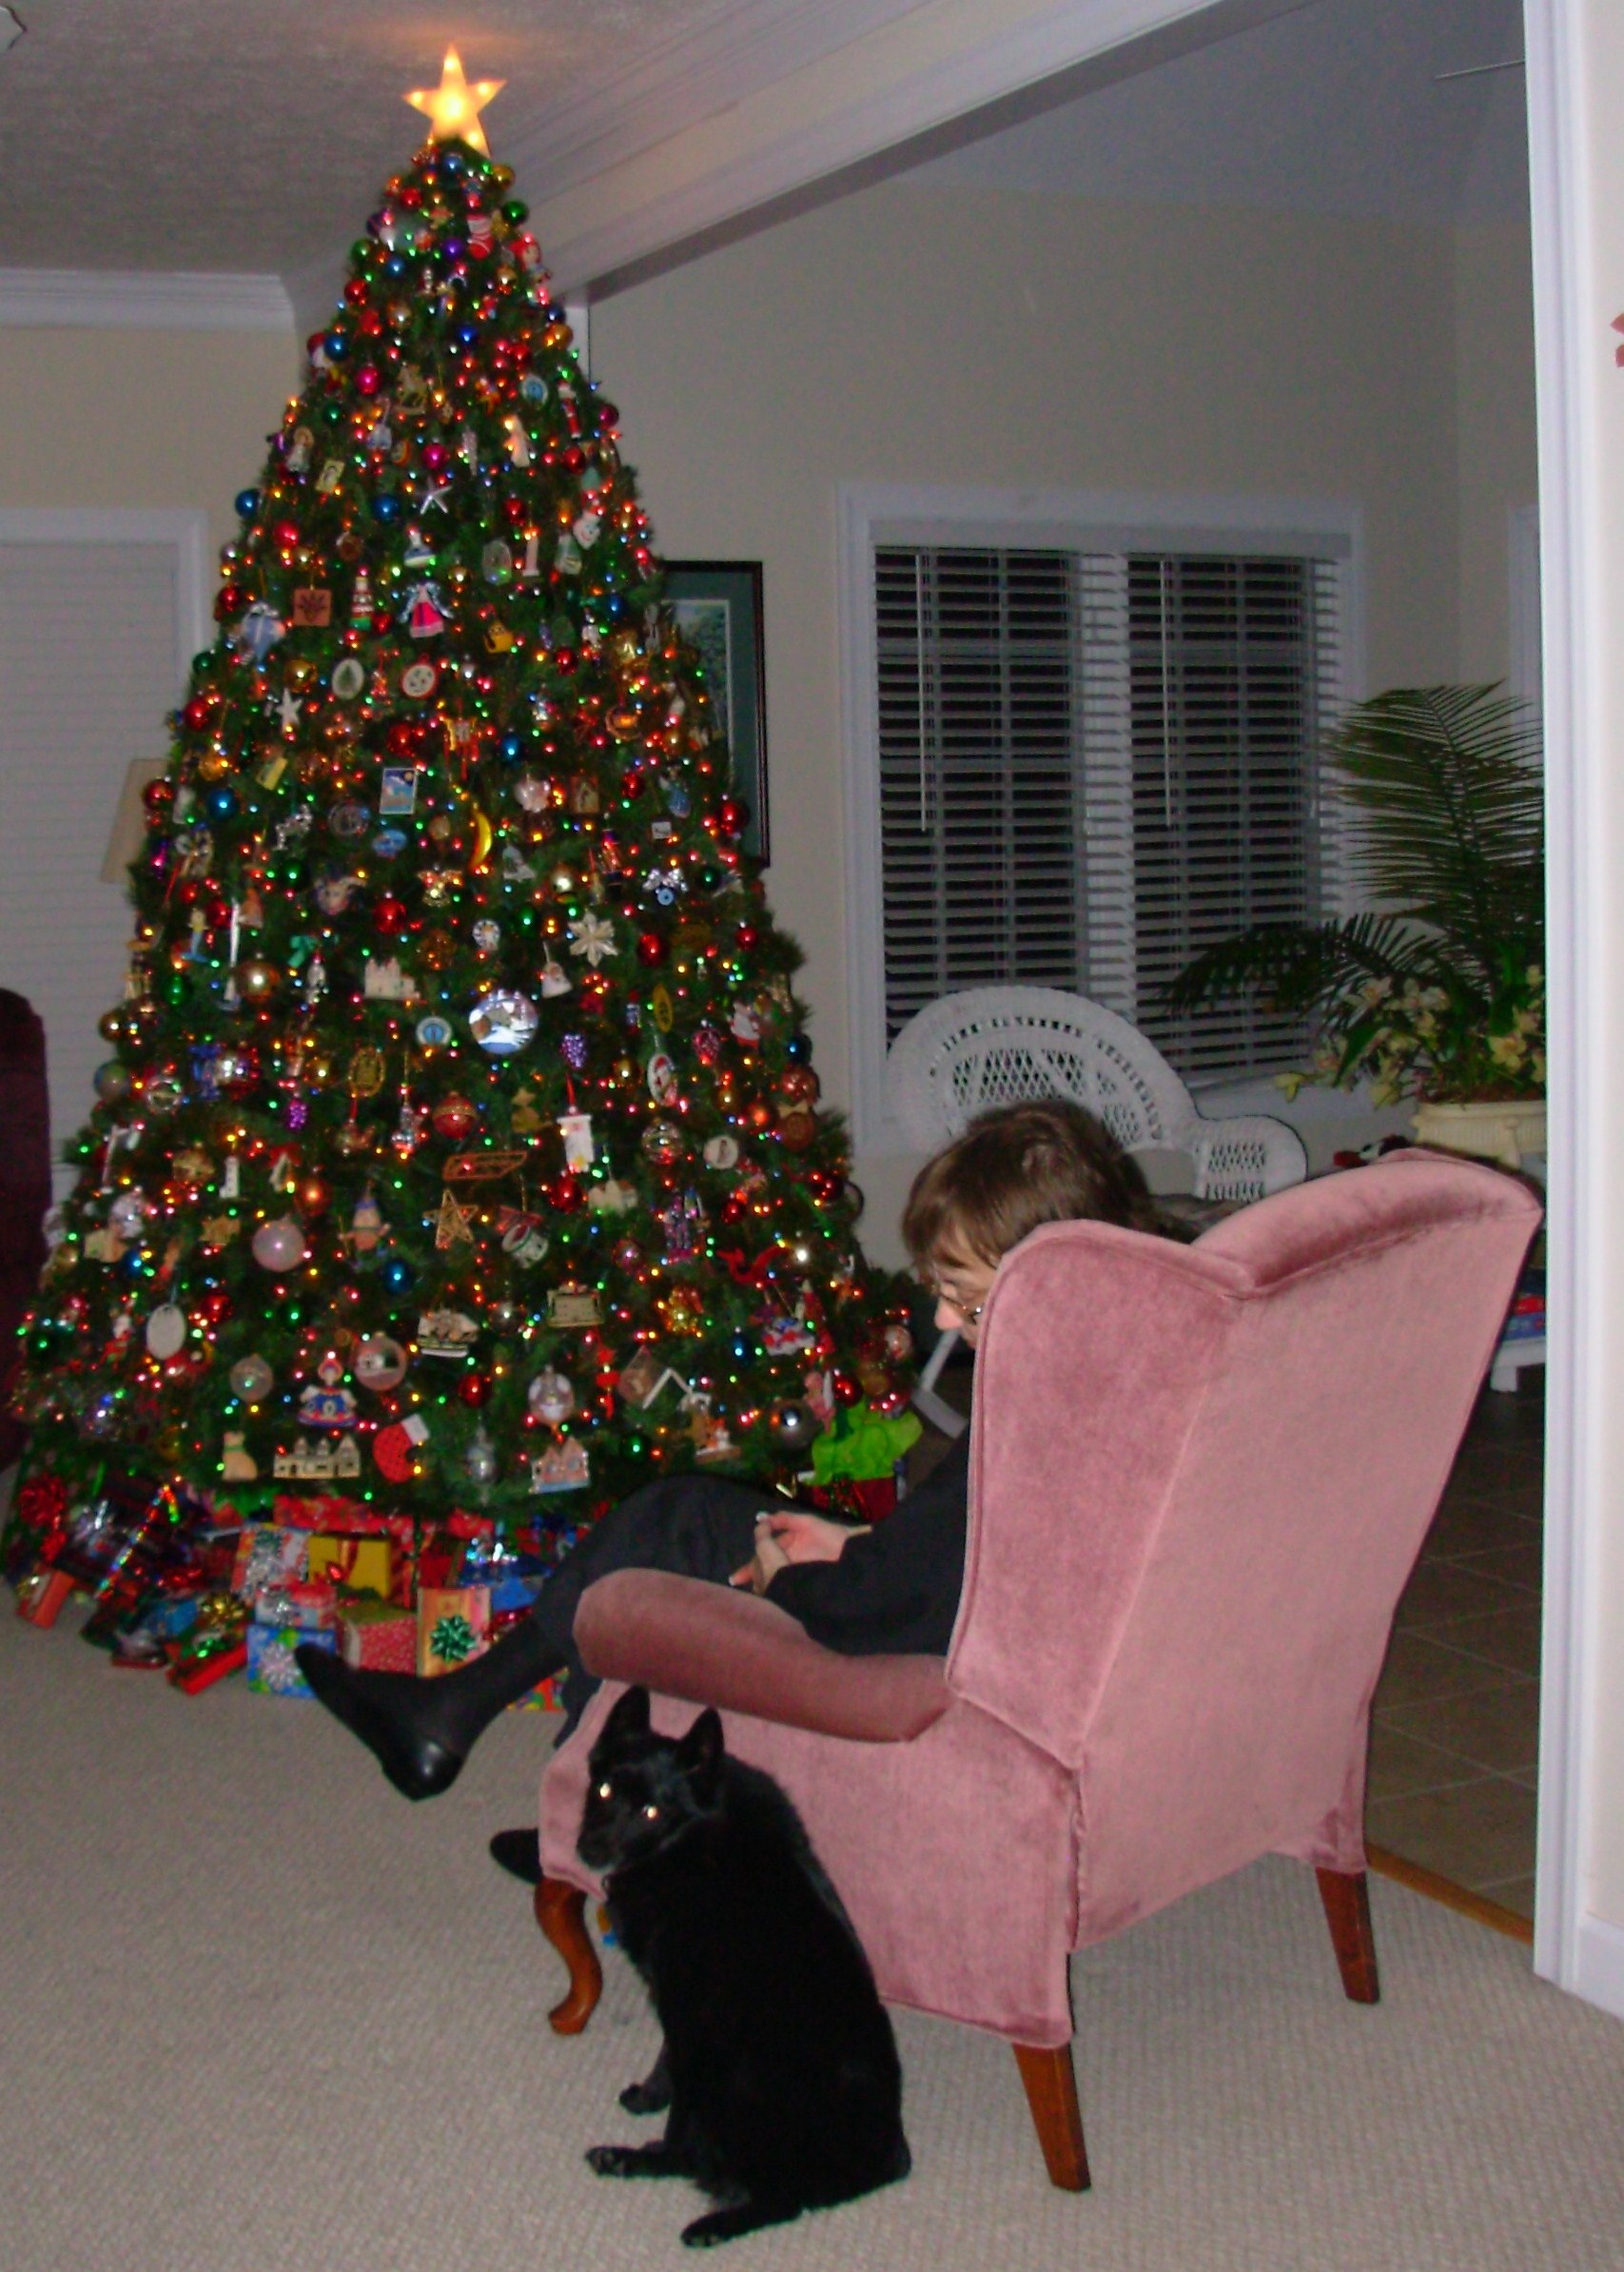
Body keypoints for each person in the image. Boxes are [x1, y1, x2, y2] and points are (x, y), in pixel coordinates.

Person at [297, 1100, 1165, 1811]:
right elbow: (950, 1558)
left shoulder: (1038, 1420)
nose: (942, 1323)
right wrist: (855, 1545)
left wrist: (787, 1571)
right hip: (937, 1605)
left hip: (901, 1663)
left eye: (965, 1303)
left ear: (1047, 1279)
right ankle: (471, 1719)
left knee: (661, 1546)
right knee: (687, 1510)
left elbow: (886, 1613)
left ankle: (558, 1792)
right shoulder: (1132, 1359)